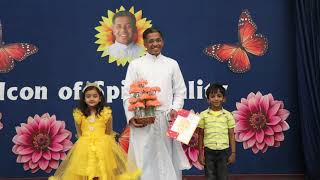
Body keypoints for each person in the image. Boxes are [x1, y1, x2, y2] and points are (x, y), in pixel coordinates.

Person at [122, 27, 191, 180]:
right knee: (143, 158)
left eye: (158, 40)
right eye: (151, 41)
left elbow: (180, 91)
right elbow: (127, 94)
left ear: (163, 42)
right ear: (144, 44)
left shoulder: (172, 64)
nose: (155, 44)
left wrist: (175, 109)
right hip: (143, 120)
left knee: (169, 157)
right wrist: (132, 118)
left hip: (166, 119)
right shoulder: (135, 64)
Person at [49, 82, 140, 180]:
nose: (91, 98)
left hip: (103, 146)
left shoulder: (106, 113)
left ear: (100, 98)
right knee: (85, 170)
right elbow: (80, 133)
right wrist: (86, 142)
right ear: (84, 99)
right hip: (84, 147)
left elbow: (108, 132)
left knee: (102, 171)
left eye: (95, 96)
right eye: (88, 96)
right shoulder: (79, 115)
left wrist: (104, 144)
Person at [197, 84, 236, 180]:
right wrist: (200, 153)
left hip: (224, 151)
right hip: (208, 151)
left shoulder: (228, 115)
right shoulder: (203, 115)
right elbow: (200, 135)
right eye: (212, 96)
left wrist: (233, 152)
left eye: (219, 96)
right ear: (208, 99)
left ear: (224, 99)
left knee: (223, 177)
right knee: (210, 177)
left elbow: (231, 135)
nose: (216, 99)